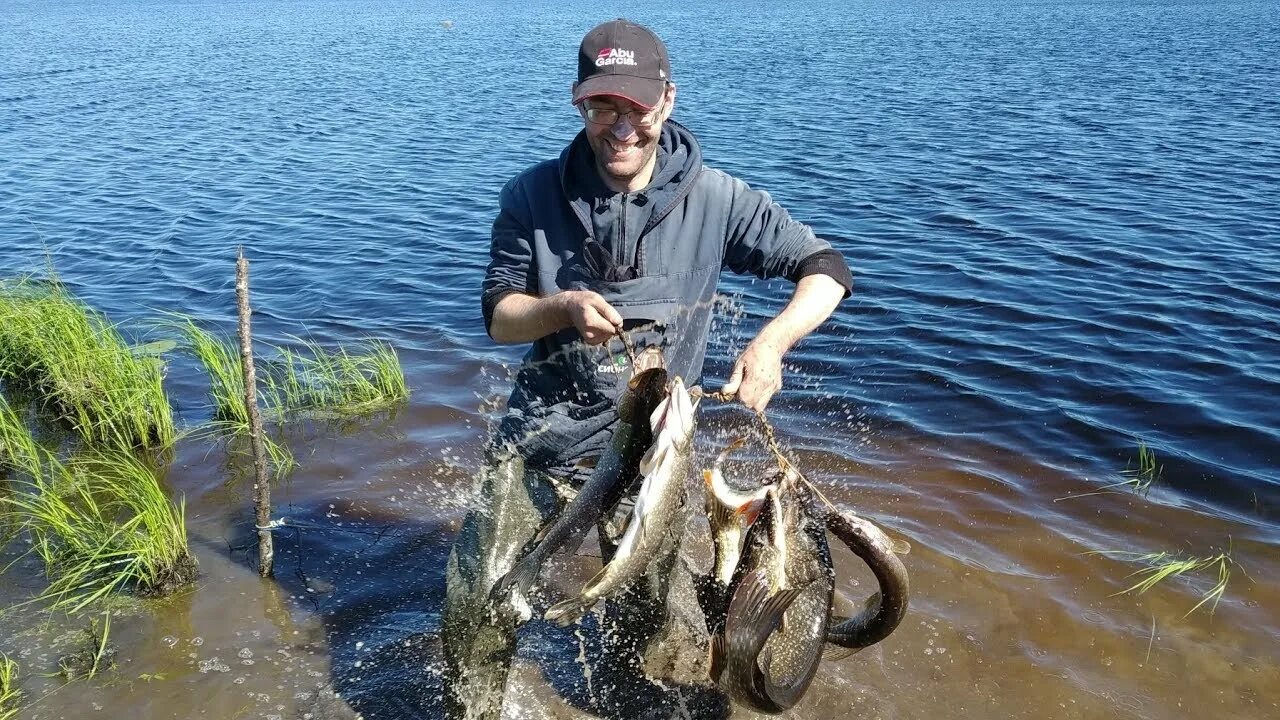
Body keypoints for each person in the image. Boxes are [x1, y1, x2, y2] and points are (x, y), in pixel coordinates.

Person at [442, 18, 853, 720]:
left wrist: (771, 345)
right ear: (580, 106)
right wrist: (563, 306)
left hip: (654, 459)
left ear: (666, 100)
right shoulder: (531, 196)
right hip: (541, 443)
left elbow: (828, 269)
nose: (620, 125)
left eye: (636, 106)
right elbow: (500, 317)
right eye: (604, 106)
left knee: (644, 625)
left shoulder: (718, 199)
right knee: (479, 604)